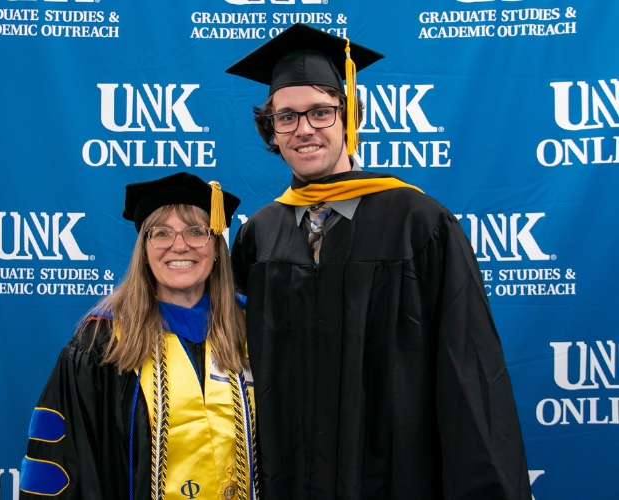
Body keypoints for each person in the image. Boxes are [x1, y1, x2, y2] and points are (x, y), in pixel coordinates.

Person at [226, 23, 531, 498]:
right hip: (291, 476)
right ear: (272, 130)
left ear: (349, 118)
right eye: (286, 117)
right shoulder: (258, 235)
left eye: (320, 113)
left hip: (396, 476)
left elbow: (467, 370)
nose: (304, 129)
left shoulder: (420, 223)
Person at [18, 172, 258, 500]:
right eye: (161, 233)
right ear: (144, 250)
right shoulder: (101, 344)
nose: (179, 245)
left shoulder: (254, 330)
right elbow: (64, 464)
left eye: (196, 232)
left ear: (216, 247)